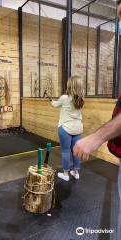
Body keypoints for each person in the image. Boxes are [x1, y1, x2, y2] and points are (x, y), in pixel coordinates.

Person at [73, 2, 121, 238]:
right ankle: (74, 171)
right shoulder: (79, 98)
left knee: (66, 153)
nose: (120, 25)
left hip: (68, 130)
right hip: (78, 128)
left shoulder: (65, 98)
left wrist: (96, 138)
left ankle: (69, 171)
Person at [51, 75, 84, 181]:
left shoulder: (64, 98)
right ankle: (76, 172)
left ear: (70, 86)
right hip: (77, 129)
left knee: (65, 151)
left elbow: (55, 105)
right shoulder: (81, 99)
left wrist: (51, 101)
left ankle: (66, 174)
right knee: (76, 151)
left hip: (65, 128)